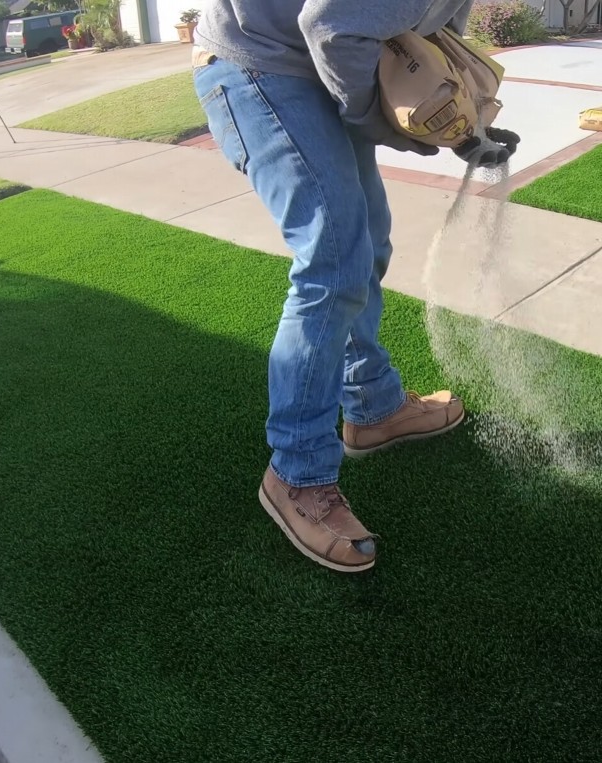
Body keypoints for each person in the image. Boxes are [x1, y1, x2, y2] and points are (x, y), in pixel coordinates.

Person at [192, 0, 519, 573]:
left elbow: (428, 29)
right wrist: (389, 129)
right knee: (334, 258)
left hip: (314, 60)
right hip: (259, 63)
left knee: (367, 243)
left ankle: (372, 407)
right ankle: (296, 474)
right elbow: (334, 24)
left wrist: (465, 125)